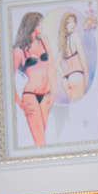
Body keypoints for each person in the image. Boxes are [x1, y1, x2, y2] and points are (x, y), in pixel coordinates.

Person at [13, 10, 54, 144]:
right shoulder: (19, 50)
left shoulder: (44, 41)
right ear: (32, 25)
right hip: (30, 96)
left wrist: (53, 93)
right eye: (40, 24)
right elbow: (8, 80)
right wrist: (19, 102)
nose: (42, 27)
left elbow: (52, 67)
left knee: (43, 137)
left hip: (46, 95)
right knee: (39, 140)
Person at [57, 10, 87, 102]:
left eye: (74, 22)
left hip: (68, 80)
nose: (73, 24)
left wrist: (64, 78)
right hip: (78, 76)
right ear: (65, 25)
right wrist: (87, 76)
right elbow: (83, 58)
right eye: (70, 22)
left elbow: (57, 63)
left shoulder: (63, 42)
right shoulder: (75, 36)